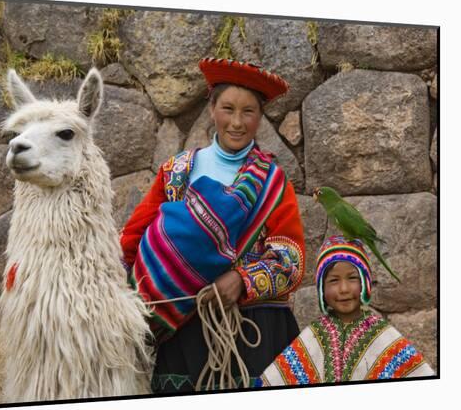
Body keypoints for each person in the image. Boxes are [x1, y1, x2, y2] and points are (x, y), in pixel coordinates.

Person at [120, 57, 306, 392]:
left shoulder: (273, 184)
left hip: (255, 332)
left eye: (248, 111)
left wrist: (242, 280)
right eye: (228, 109)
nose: (237, 122)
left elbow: (291, 261)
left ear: (260, 117)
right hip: (182, 328)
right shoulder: (176, 172)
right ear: (212, 109)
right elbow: (131, 241)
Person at [256, 235, 434, 386]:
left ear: (365, 282)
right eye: (334, 281)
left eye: (352, 278)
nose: (344, 289)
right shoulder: (313, 337)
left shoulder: (383, 336)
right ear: (321, 290)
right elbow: (275, 381)